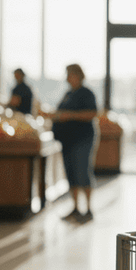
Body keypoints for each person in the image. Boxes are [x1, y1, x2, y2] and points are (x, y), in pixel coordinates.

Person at [48, 64, 98, 223]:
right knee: (71, 174)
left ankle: (88, 209)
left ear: (78, 75)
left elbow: (92, 113)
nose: (67, 78)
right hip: (68, 140)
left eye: (70, 74)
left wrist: (70, 115)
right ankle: (76, 207)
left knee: (82, 172)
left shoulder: (86, 93)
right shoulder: (68, 94)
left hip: (82, 139)